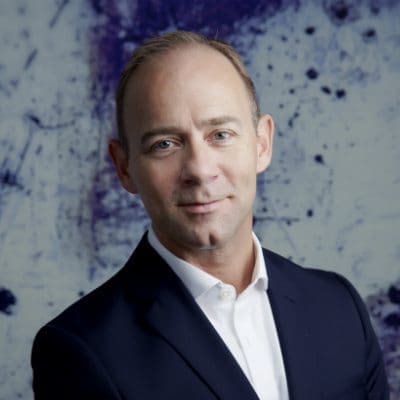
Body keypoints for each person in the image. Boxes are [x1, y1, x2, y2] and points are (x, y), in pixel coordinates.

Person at [31, 31, 389, 400]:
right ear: (124, 167)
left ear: (262, 144)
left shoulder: (339, 307)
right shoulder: (81, 350)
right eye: (164, 144)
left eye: (220, 134)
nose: (200, 170)